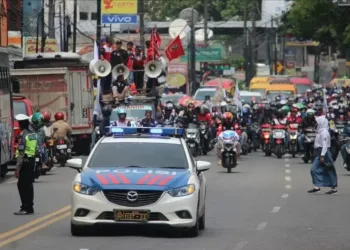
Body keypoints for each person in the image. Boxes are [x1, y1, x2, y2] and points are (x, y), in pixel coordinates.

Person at [308, 115, 338, 195]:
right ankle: (317, 186)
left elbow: (325, 145)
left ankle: (333, 188)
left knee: (329, 169)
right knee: (314, 169)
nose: (316, 124)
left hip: (324, 153)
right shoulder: (319, 131)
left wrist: (322, 156)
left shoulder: (324, 133)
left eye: (317, 122)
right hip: (319, 152)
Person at [14, 114, 37, 215]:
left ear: (20, 124)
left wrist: (17, 168)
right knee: (28, 185)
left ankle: (25, 207)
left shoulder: (23, 135)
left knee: (22, 185)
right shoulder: (33, 134)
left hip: (25, 162)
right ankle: (29, 206)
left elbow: (21, 153)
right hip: (32, 161)